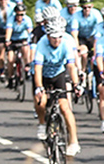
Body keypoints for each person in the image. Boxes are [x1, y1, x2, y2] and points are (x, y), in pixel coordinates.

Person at [32, 16, 81, 156]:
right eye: (54, 38)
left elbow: (71, 67)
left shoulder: (65, 44)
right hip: (43, 76)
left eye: (59, 37)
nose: (57, 40)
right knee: (41, 102)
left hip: (58, 75)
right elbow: (38, 69)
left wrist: (76, 84)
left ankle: (74, 142)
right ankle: (42, 124)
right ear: (48, 36)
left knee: (65, 108)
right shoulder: (41, 45)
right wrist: (39, 87)